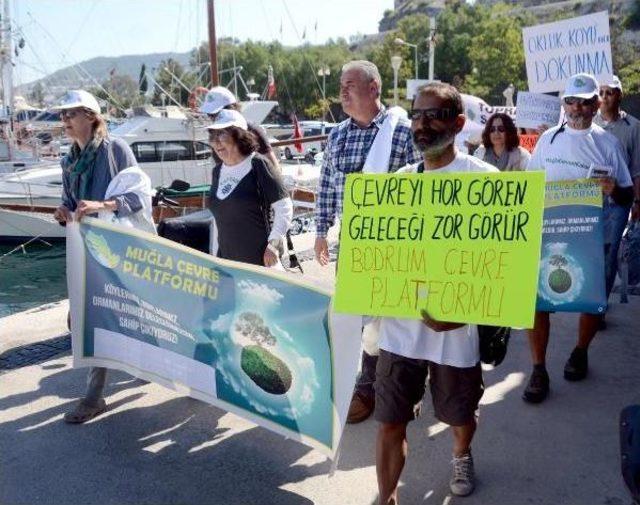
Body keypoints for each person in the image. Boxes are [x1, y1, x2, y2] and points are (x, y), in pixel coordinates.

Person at [375, 82, 497, 503]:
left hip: (455, 329)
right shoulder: (398, 184)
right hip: (398, 329)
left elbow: (503, 267)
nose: (422, 124)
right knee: (390, 419)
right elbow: (378, 254)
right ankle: (387, 495)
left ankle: (461, 454)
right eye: (416, 115)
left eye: (434, 115)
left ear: (459, 124)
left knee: (459, 413)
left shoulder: (485, 183)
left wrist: (463, 312)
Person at [314, 60, 422, 424]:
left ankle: (399, 383)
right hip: (354, 244)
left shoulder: (405, 132)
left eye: (350, 85)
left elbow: (424, 189)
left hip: (398, 245)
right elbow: (328, 186)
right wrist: (320, 230)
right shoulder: (337, 135)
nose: (342, 91)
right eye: (341, 85)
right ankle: (369, 383)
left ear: (374, 88)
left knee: (400, 314)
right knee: (363, 316)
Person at [523, 73, 634, 404]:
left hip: (589, 235)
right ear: (564, 104)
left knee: (590, 301)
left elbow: (627, 196)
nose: (578, 108)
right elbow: (531, 190)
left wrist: (615, 189)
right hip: (548, 233)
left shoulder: (608, 143)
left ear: (596, 104)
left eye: (586, 102)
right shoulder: (547, 141)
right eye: (572, 101)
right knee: (537, 304)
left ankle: (580, 351)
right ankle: (538, 368)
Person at [52, 89, 155, 423]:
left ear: (91, 116)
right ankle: (145, 362)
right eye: (62, 115)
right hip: (88, 249)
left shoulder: (115, 150)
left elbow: (139, 196)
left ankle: (94, 397)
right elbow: (70, 202)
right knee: (88, 317)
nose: (65, 120)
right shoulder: (69, 161)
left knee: (102, 316)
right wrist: (64, 211)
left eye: (71, 114)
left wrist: (104, 205)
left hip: (119, 250)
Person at [207, 109, 292, 266]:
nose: (216, 142)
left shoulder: (258, 164)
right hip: (228, 265)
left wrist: (273, 246)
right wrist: (215, 260)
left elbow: (285, 208)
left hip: (260, 265)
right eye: (213, 136)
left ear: (239, 136)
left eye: (222, 134)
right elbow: (218, 220)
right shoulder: (217, 172)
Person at [199, 86, 281, 171]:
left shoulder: (252, 129)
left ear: (231, 108)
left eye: (215, 114)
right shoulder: (215, 137)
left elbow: (274, 167)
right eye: (209, 114)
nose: (212, 118)